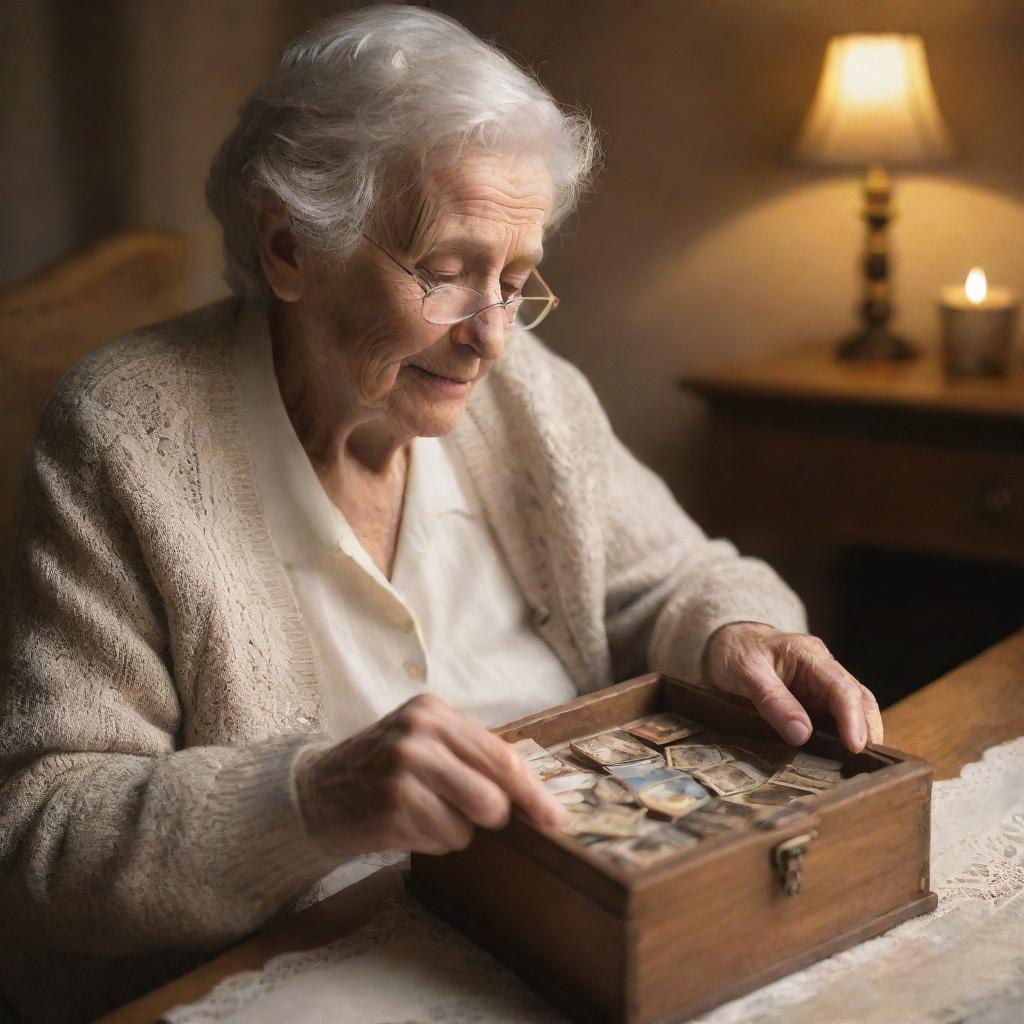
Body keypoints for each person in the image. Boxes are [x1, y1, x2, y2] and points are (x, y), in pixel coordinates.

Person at [0, 6, 883, 1022]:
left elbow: (678, 575)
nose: (491, 339)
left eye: (517, 280)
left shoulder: (524, 397)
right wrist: (313, 798)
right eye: (448, 272)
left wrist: (740, 633)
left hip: (572, 923)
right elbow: (43, 832)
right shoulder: (127, 434)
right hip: (307, 973)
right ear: (290, 247)